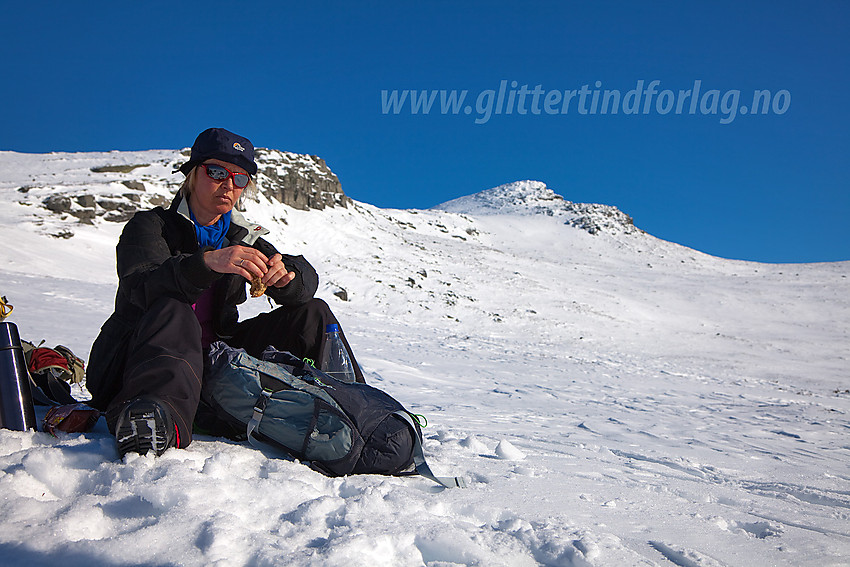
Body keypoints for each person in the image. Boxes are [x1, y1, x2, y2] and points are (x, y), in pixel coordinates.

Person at [86, 127, 363, 457]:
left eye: (239, 178)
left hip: (214, 364)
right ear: (192, 173)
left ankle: (357, 412)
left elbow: (303, 282)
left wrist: (287, 277)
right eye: (216, 172)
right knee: (174, 309)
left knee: (313, 312)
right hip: (140, 367)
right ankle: (156, 420)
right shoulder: (151, 226)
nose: (228, 184)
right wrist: (206, 263)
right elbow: (140, 286)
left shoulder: (241, 237)